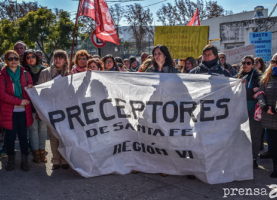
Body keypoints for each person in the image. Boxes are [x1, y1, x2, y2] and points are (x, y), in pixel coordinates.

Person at [0, 50, 34, 171]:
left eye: (16, 58)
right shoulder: (2, 75)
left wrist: (31, 87)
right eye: (10, 59)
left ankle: (24, 162)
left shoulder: (25, 73)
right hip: (9, 112)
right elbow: (2, 95)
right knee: (10, 137)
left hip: (24, 111)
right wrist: (19, 101)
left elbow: (30, 85)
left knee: (24, 136)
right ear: (6, 61)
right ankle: (11, 160)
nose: (14, 60)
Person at [37, 49, 70, 170]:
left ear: (65, 60)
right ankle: (55, 159)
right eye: (56, 58)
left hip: (66, 108)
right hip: (50, 107)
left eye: (61, 58)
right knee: (53, 135)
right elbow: (40, 89)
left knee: (64, 134)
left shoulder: (70, 73)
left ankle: (64, 158)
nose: (58, 60)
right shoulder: (45, 73)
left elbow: (73, 91)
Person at [233, 55, 262, 169]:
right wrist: (250, 90)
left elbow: (259, 92)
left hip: (254, 111)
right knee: (241, 135)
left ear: (253, 65)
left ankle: (254, 158)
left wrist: (246, 90)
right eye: (244, 63)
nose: (245, 65)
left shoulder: (259, 76)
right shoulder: (237, 76)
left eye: (248, 63)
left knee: (255, 136)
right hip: (240, 110)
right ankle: (242, 157)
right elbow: (234, 91)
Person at [22, 49, 47, 163]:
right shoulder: (23, 71)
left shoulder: (44, 70)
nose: (31, 59)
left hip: (42, 105)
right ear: (25, 59)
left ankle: (43, 152)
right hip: (29, 105)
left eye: (33, 56)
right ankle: (36, 153)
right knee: (33, 129)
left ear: (37, 58)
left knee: (42, 129)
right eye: (28, 57)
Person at [257, 53, 277, 178]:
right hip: (270, 116)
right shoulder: (267, 77)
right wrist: (264, 106)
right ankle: (276, 167)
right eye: (274, 61)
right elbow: (260, 93)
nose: (275, 63)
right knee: (274, 145)